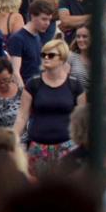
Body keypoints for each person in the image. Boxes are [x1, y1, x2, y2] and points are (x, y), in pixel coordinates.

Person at [13, 39, 86, 174]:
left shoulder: (75, 85)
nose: (46, 58)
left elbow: (82, 119)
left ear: (62, 58)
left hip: (67, 146)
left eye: (51, 55)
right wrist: (13, 138)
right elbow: (22, 116)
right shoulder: (33, 84)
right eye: (43, 55)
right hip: (38, 146)